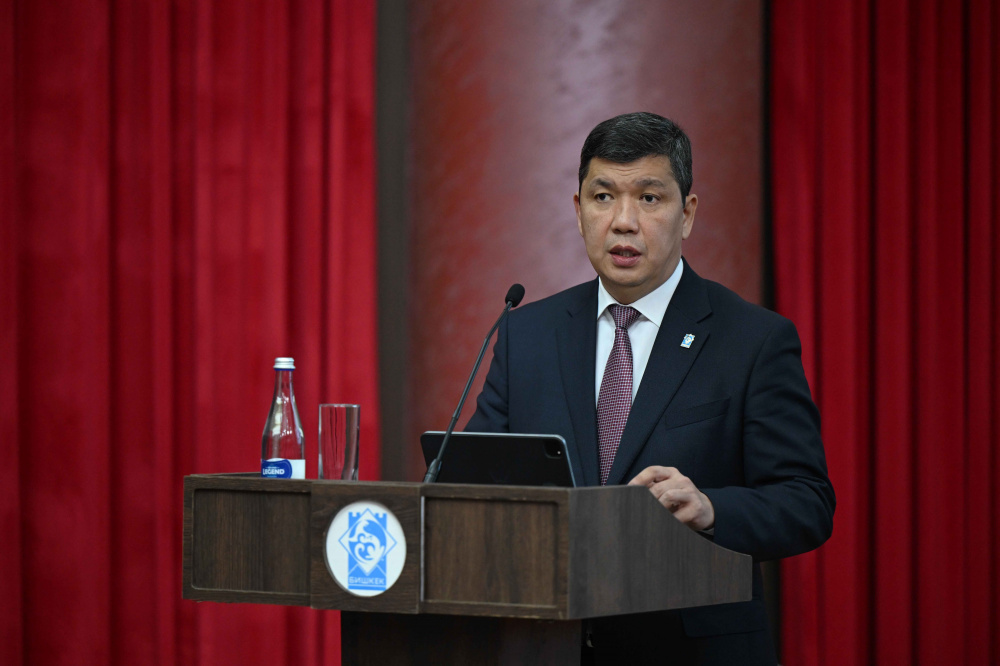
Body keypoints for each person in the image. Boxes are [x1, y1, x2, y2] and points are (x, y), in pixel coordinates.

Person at [465, 111, 835, 665]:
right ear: (578, 210)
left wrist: (710, 507)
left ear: (687, 214)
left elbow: (807, 501)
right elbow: (470, 482)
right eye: (603, 197)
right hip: (547, 645)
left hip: (691, 651)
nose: (623, 221)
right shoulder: (528, 335)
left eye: (649, 198)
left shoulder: (752, 340)